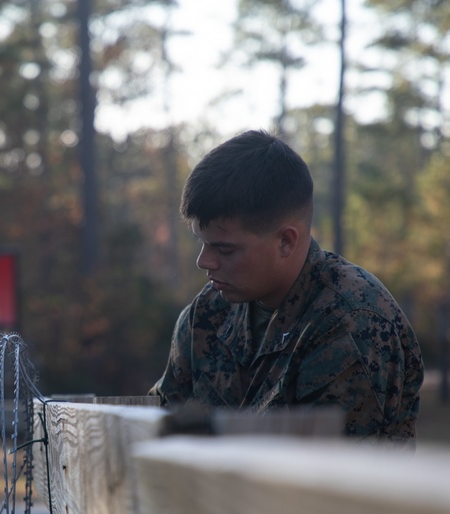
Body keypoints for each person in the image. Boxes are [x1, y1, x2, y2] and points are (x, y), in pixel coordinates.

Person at [150, 130, 424, 442]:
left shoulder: (351, 321)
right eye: (203, 243)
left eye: (225, 250)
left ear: (285, 241)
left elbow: (333, 477)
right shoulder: (207, 314)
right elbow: (158, 427)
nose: (204, 261)